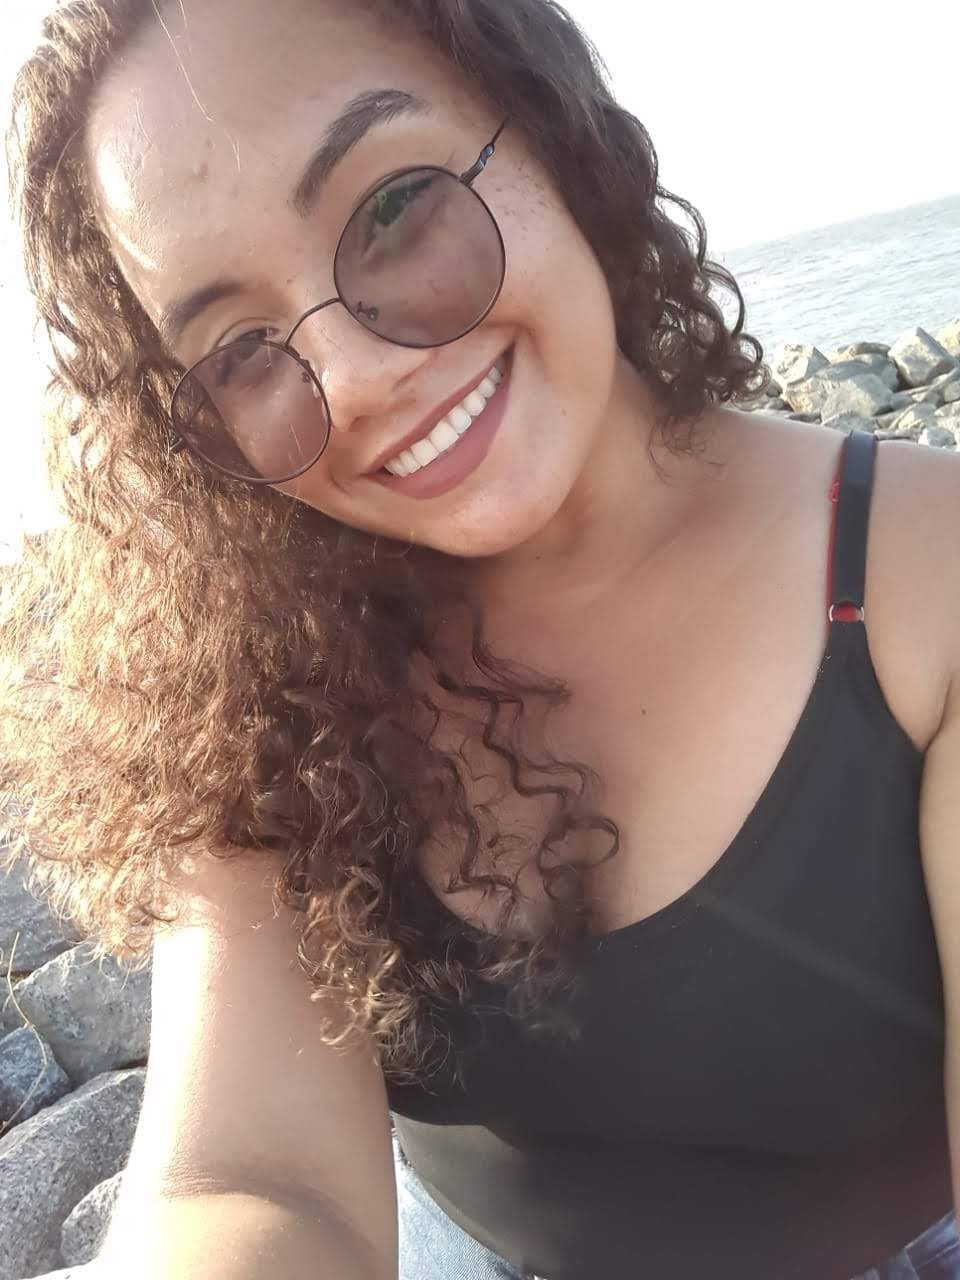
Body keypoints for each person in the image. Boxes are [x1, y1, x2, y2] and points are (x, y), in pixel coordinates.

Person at [2, 1, 959, 1277]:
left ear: (550, 130)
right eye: (240, 351)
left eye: (395, 210)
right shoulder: (258, 671)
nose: (352, 379)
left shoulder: (923, 571)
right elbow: (253, 1176)